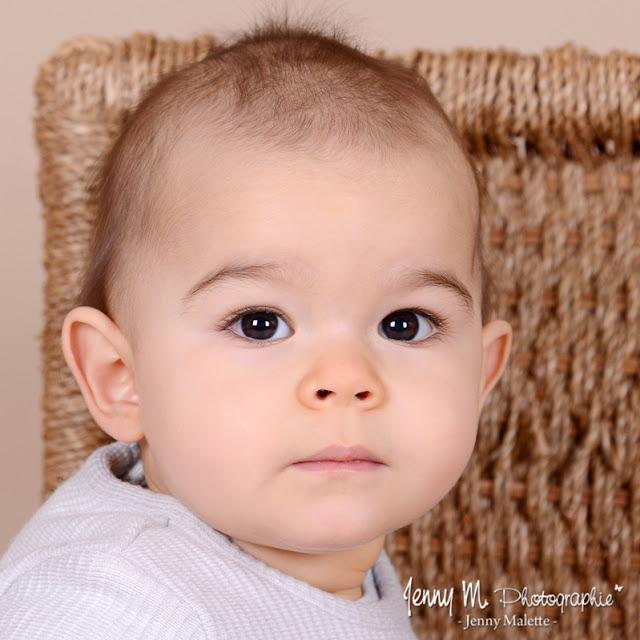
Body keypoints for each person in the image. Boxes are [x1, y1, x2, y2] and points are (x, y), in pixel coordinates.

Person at [0, 14, 512, 639]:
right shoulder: (110, 604)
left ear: (481, 376)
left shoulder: (332, 564)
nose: (345, 380)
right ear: (122, 378)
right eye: (260, 324)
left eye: (404, 325)